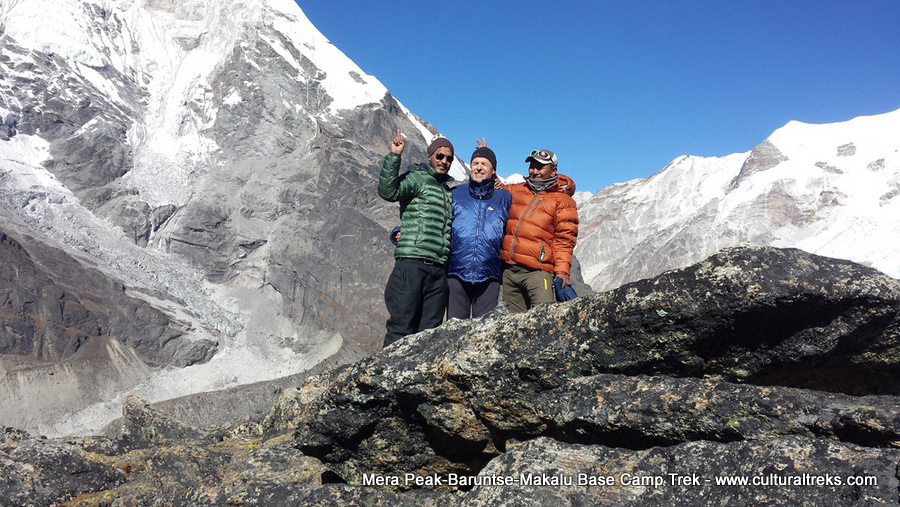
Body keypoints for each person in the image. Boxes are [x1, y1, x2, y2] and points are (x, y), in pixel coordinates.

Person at [378, 129, 454, 347]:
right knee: (401, 326)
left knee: (428, 333)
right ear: (430, 156)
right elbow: (389, 192)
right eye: (439, 155)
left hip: (438, 269)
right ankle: (386, 378)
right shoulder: (417, 178)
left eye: (449, 158)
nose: (444, 161)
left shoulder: (447, 190)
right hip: (412, 264)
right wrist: (394, 156)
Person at [500, 149, 579, 313]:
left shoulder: (563, 201)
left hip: (538, 273)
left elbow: (564, 240)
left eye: (540, 167)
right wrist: (484, 155)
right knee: (512, 328)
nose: (534, 171)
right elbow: (496, 187)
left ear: (553, 170)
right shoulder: (518, 190)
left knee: (542, 324)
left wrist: (563, 271)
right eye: (532, 166)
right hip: (509, 273)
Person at [446, 141, 512, 319]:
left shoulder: (504, 197)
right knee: (453, 333)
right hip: (456, 272)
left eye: (484, 164)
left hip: (489, 275)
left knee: (483, 335)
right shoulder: (455, 193)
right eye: (475, 163)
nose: (479, 168)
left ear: (493, 171)